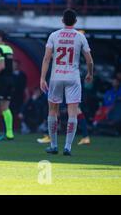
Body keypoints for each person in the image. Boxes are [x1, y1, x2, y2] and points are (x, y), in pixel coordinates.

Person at [40, 9, 93, 156]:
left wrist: (42, 78)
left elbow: (46, 58)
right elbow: (89, 60)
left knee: (52, 110)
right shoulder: (80, 37)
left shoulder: (54, 35)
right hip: (73, 77)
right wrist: (90, 73)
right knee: (73, 113)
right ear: (75, 21)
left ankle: (54, 145)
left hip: (56, 77)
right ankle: (68, 147)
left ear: (62, 20)